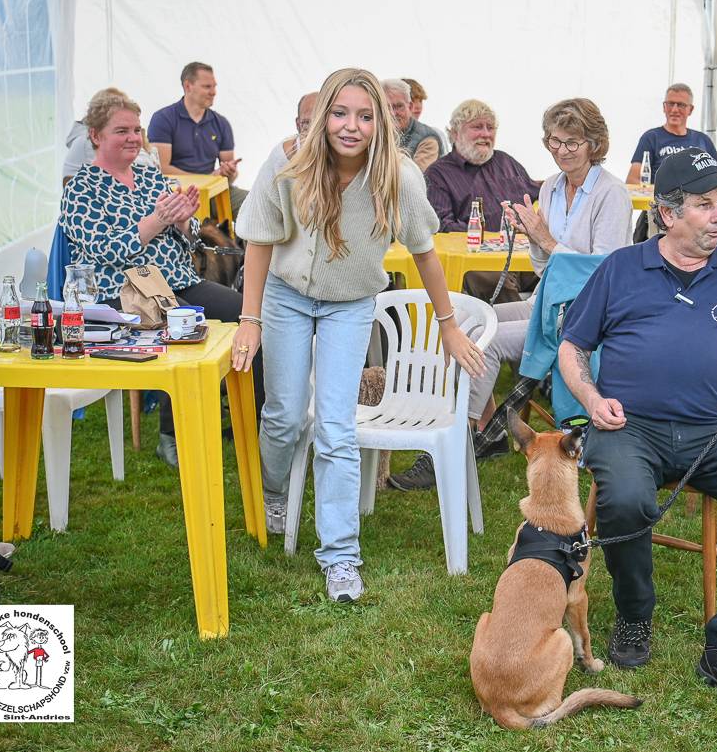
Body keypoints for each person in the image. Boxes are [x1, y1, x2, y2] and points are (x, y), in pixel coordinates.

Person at [558, 148, 717, 712]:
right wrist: (592, 397)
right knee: (624, 498)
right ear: (669, 214)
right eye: (706, 204)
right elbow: (573, 345)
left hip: (716, 431)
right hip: (630, 426)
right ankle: (634, 615)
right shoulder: (622, 269)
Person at [232, 67, 484, 603]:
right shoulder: (287, 162)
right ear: (323, 116)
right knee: (281, 413)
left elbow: (424, 252)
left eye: (365, 116)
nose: (352, 126)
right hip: (286, 297)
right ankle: (274, 494)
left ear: (382, 123)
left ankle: (341, 556)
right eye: (341, 114)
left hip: (350, 304)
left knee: (335, 425)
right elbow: (257, 240)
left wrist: (448, 327)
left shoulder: (400, 177)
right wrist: (249, 322)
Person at [389, 97, 634, 491]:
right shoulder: (552, 187)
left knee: (483, 344)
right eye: (554, 141)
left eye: (572, 142)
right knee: (470, 321)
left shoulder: (612, 194)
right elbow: (544, 268)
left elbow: (605, 274)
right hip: (550, 303)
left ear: (594, 143)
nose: (562, 151)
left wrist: (545, 239)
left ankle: (457, 443)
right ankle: (485, 427)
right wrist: (529, 235)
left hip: (590, 316)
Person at [61, 87, 262, 467]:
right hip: (123, 292)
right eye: (122, 131)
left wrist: (186, 221)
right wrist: (158, 220)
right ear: (95, 136)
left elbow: (184, 241)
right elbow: (106, 251)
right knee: (184, 322)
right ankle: (171, 434)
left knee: (250, 313)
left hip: (178, 279)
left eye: (137, 130)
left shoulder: (150, 176)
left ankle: (249, 417)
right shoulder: (81, 190)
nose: (134, 138)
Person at [424, 98, 542, 301]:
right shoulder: (438, 174)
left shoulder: (506, 162)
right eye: (477, 127)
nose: (486, 134)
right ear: (454, 132)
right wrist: (490, 238)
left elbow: (536, 192)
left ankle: (554, 329)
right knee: (491, 278)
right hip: (479, 262)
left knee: (563, 269)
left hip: (522, 257)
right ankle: (515, 330)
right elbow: (442, 226)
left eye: (490, 128)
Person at [625, 84, 717, 240]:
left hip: (705, 200)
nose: (674, 109)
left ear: (690, 110)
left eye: (681, 105)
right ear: (664, 107)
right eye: (670, 104)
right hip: (672, 203)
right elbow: (633, 179)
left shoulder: (702, 140)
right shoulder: (651, 137)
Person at [148, 61, 247, 213]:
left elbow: (229, 177)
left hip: (212, 192)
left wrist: (230, 173)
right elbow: (162, 168)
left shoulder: (221, 123)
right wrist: (208, 179)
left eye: (214, 86)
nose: (213, 92)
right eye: (207, 86)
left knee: (256, 206)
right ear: (188, 86)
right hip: (174, 195)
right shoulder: (163, 118)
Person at [381, 78, 446, 170]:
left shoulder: (427, 139)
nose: (393, 113)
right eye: (387, 107)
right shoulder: (374, 132)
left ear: (410, 106)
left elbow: (417, 178)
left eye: (399, 106)